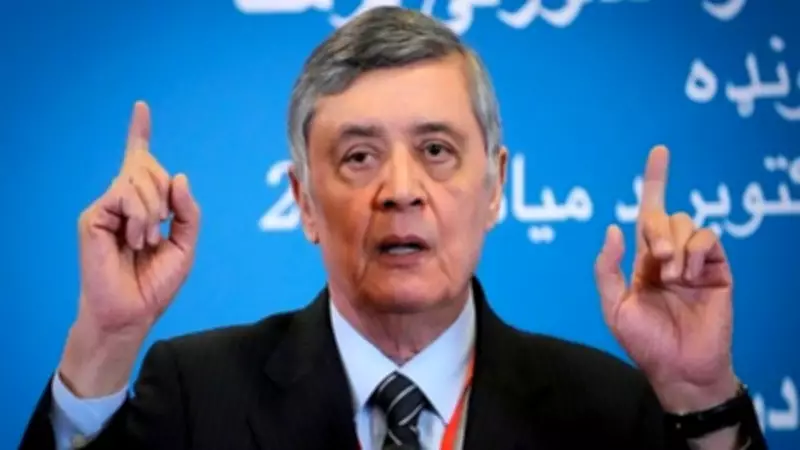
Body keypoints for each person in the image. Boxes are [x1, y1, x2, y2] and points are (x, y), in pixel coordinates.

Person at [20, 6, 766, 450]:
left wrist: (698, 394)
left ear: (496, 185)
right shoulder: (195, 394)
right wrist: (106, 340)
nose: (401, 191)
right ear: (304, 202)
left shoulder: (607, 408)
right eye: (358, 156)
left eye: (436, 150)